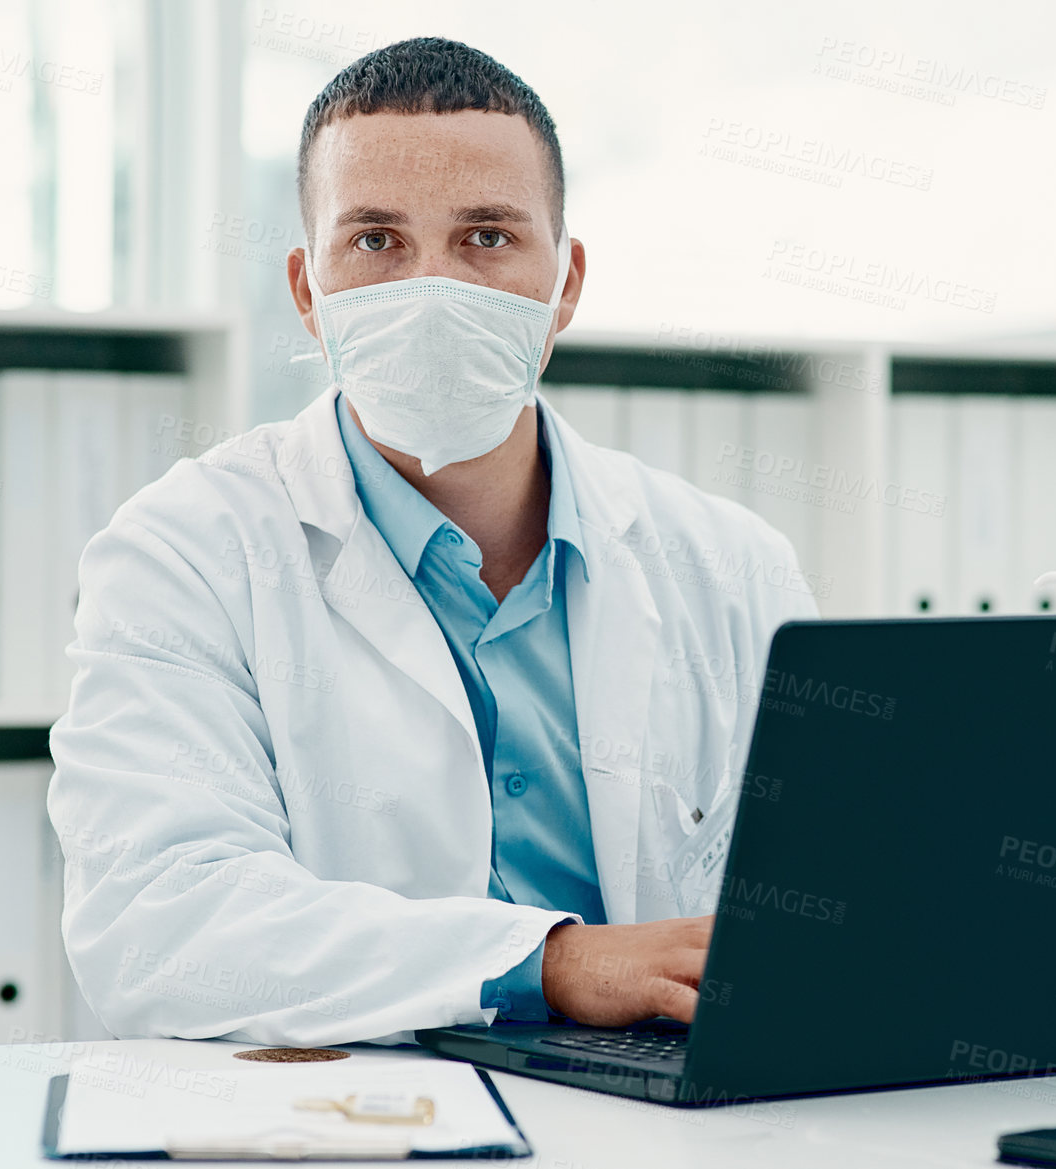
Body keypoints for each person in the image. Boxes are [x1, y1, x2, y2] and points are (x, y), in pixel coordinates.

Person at [47, 36, 818, 1046]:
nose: (431, 288)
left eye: (487, 236)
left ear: (566, 282)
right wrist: (550, 961)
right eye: (374, 241)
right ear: (306, 290)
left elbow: (833, 895)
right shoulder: (181, 554)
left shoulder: (730, 565)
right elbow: (160, 922)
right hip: (350, 1122)